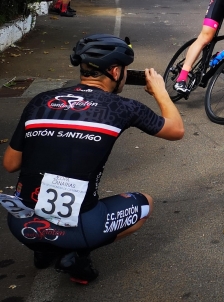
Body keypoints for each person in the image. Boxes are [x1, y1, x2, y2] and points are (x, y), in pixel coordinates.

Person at [1, 35, 184, 284]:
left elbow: (10, 164)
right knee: (146, 204)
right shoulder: (123, 107)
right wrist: (160, 92)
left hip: (20, 223)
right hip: (81, 228)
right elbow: (176, 130)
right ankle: (76, 253)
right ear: (115, 71)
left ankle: (44, 248)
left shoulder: (39, 101)